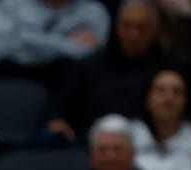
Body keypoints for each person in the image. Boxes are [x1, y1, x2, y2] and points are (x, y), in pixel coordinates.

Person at [49, 0, 179, 140]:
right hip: (90, 145)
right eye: (127, 26)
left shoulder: (169, 70)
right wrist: (58, 122)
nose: (133, 34)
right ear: (116, 27)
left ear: (155, 30)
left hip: (151, 146)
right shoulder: (88, 67)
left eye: (141, 27)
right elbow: (56, 111)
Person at [0, 0, 111, 77]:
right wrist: (68, 43)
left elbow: (94, 57)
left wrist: (24, 38)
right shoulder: (10, 4)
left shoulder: (93, 12)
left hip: (67, 88)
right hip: (16, 80)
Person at [130, 69, 191, 170]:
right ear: (148, 98)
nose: (169, 98)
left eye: (177, 92)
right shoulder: (127, 137)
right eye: (161, 91)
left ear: (186, 100)